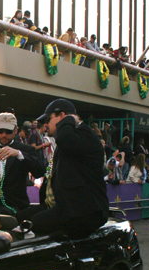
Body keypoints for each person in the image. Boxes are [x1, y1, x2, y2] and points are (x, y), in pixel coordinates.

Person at [30, 99, 108, 237]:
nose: (46, 124)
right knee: (22, 219)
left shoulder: (84, 134)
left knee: (37, 223)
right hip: (70, 209)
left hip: (86, 211)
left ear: (62, 116)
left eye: (48, 119)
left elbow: (65, 139)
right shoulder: (69, 140)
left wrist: (68, 119)